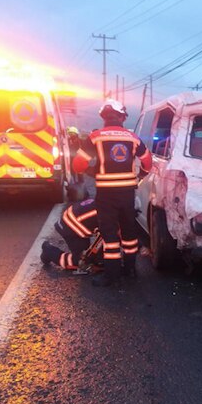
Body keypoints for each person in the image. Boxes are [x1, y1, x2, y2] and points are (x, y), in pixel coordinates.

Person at [71, 99, 152, 286]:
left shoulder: (95, 137)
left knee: (110, 236)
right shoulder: (133, 138)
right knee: (129, 233)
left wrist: (92, 171)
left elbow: (78, 164)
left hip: (106, 196)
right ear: (122, 117)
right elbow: (148, 162)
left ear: (104, 117)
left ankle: (112, 276)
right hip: (127, 195)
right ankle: (131, 271)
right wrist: (139, 176)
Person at [40, 198, 99, 271]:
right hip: (70, 227)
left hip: (76, 221)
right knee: (82, 262)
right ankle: (48, 251)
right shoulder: (109, 215)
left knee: (93, 256)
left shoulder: (111, 203)